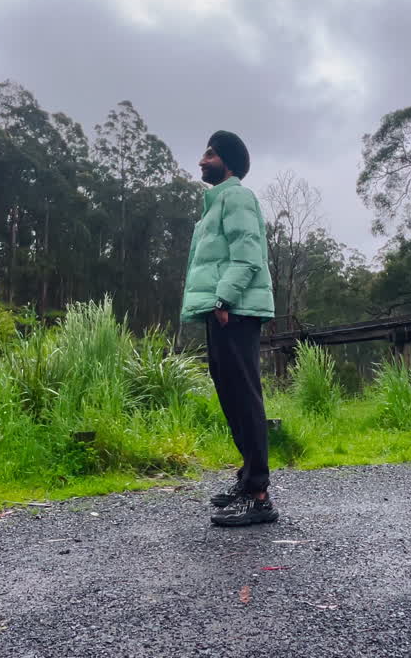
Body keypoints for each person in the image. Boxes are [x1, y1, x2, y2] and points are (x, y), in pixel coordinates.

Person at [180, 130, 277, 527]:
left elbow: (247, 255)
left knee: (244, 396)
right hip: (220, 310)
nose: (202, 160)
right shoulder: (214, 205)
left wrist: (224, 298)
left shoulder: (236, 196)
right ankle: (247, 479)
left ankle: (258, 495)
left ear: (229, 163)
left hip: (232, 309)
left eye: (211, 154)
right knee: (231, 396)